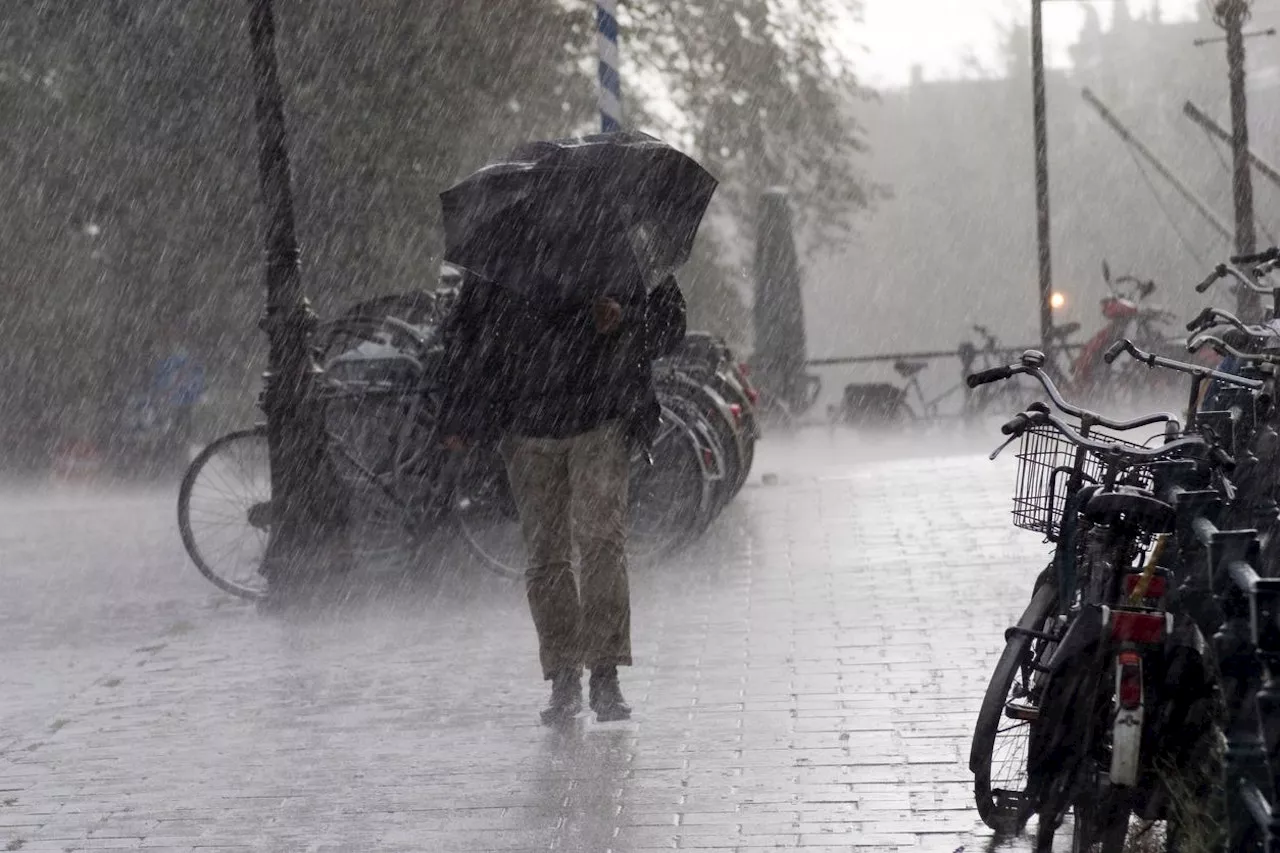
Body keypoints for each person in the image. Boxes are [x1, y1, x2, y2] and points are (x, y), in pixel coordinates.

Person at [437, 237, 687, 725]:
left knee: (599, 544)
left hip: (600, 416)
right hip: (527, 424)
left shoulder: (621, 244)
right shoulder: (504, 253)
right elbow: (468, 335)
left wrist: (626, 318)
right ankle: (566, 677)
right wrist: (460, 415)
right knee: (549, 553)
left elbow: (670, 325)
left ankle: (605, 675)